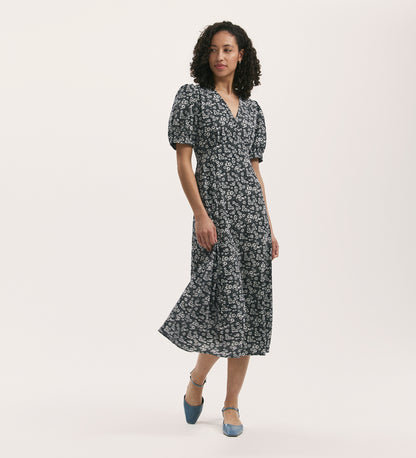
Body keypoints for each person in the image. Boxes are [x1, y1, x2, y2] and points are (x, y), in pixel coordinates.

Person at [158, 21, 279, 437]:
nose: (220, 57)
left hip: (250, 221)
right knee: (221, 310)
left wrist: (268, 227)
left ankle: (231, 405)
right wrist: (200, 215)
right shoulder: (192, 98)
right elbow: (183, 162)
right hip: (215, 217)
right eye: (213, 49)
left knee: (247, 313)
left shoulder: (253, 110)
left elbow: (255, 172)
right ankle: (197, 379)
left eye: (227, 49)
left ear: (241, 55)